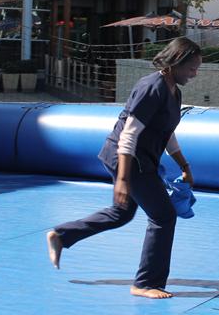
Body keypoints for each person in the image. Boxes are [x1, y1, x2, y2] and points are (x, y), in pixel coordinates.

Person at [45, 36, 202, 299]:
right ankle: (146, 283)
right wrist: (122, 179)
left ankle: (61, 235)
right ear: (176, 62)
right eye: (192, 68)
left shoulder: (174, 91)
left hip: (139, 160)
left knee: (121, 213)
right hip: (127, 160)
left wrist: (184, 165)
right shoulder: (151, 88)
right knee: (163, 216)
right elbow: (129, 134)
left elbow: (167, 132)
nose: (194, 74)